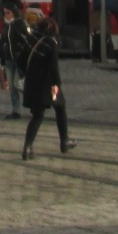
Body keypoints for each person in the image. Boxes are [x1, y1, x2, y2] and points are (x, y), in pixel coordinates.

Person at [20, 13, 75, 159]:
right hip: (48, 83)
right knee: (60, 106)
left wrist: (28, 73)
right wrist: (56, 84)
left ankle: (27, 147)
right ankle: (64, 141)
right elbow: (53, 66)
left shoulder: (31, 39)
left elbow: (21, 59)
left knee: (37, 116)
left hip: (32, 82)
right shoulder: (51, 42)